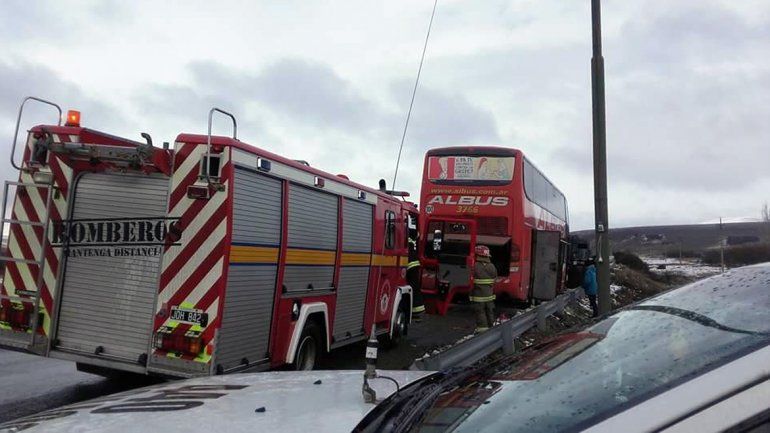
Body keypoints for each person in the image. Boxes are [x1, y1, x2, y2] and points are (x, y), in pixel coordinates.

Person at [471, 245, 497, 332]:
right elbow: (494, 278)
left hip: (479, 295)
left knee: (480, 312)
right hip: (489, 296)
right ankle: (491, 328)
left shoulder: (475, 266)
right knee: (490, 311)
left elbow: (470, 278)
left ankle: (482, 330)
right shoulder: (492, 266)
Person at [406, 233, 425, 321]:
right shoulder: (412, 235)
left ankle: (417, 311)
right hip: (414, 263)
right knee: (414, 287)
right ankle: (417, 311)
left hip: (410, 263)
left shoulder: (407, 236)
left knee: (412, 287)